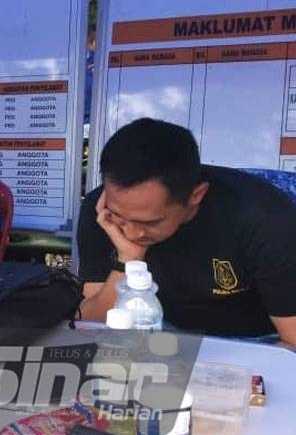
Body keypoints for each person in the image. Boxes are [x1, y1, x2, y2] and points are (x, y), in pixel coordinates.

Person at [78, 118, 296, 347]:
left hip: (257, 340)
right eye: (121, 217)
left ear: (196, 195)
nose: (132, 233)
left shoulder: (264, 220)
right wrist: (128, 259)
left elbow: (292, 341)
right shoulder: (101, 212)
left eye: (149, 222)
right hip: (157, 333)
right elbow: (90, 324)